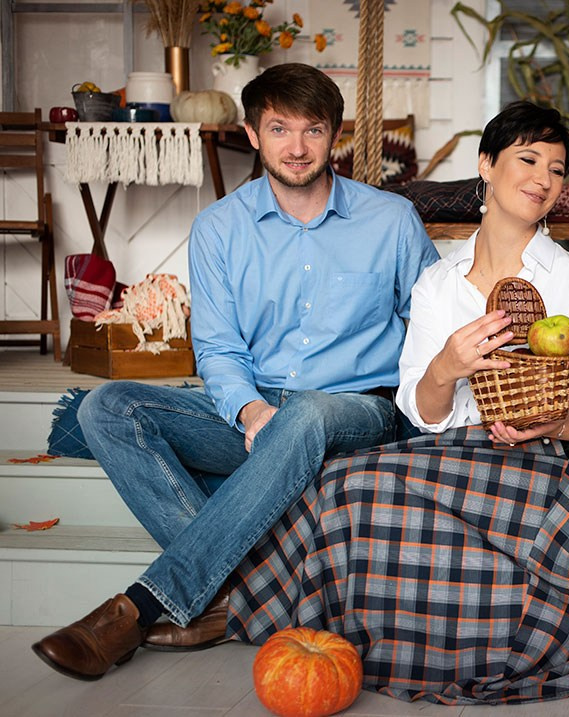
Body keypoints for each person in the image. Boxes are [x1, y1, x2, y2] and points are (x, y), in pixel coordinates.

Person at [223, 100, 569, 704]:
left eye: (556, 168)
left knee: (351, 483)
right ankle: (304, 630)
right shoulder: (438, 283)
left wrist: (555, 421)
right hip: (452, 454)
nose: (543, 179)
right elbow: (422, 412)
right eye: (528, 160)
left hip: (549, 464)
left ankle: (243, 606)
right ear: (487, 166)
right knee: (338, 481)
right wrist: (447, 366)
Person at [31, 63, 439, 681]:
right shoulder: (219, 228)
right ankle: (232, 597)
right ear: (252, 134)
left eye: (313, 130)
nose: (297, 147)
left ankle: (139, 606)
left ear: (335, 136)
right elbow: (219, 350)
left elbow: (433, 327)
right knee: (105, 407)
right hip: (262, 411)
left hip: (360, 408)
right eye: (279, 129)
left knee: (307, 410)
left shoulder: (392, 220)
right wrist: (250, 411)